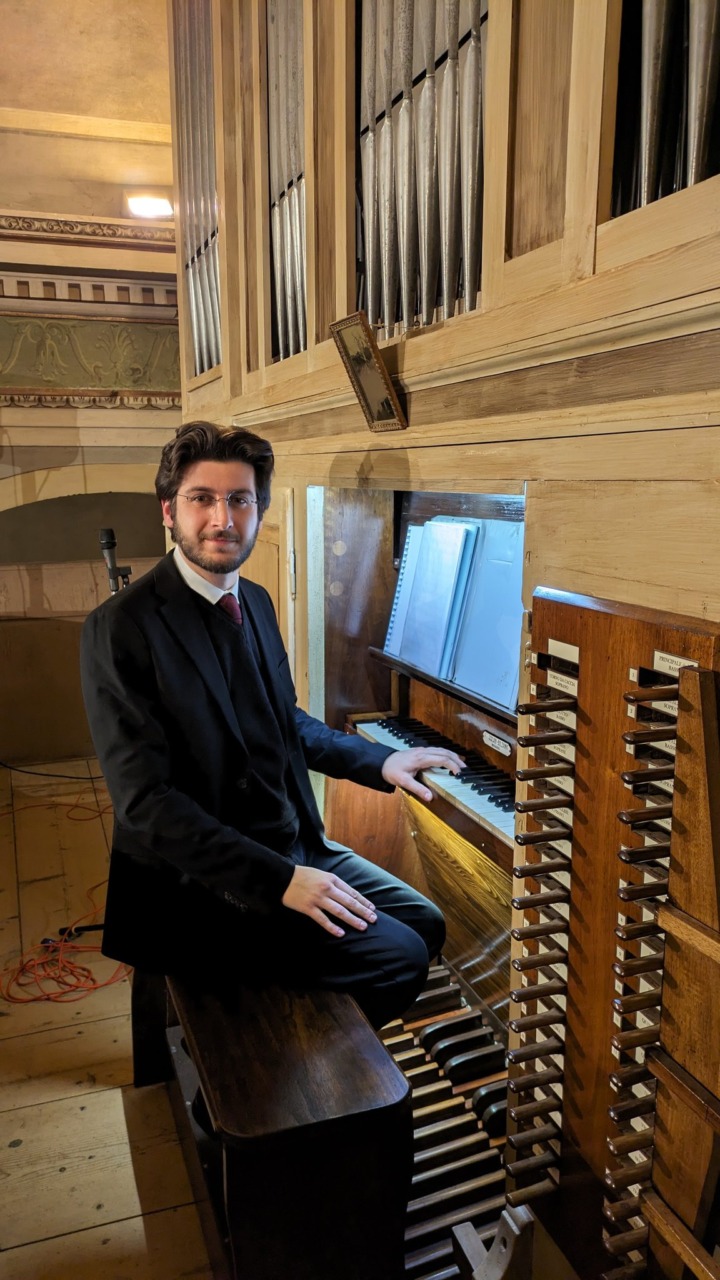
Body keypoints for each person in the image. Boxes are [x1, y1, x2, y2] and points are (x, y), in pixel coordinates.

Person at [80, 422, 463, 1029]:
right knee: (399, 960)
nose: (222, 520)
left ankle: (308, 1047)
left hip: (293, 845)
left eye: (240, 500)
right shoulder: (121, 628)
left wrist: (378, 762)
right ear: (168, 512)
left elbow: (285, 723)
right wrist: (279, 881)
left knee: (426, 924)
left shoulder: (253, 601)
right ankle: (284, 1068)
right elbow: (146, 805)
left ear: (258, 510)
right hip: (208, 886)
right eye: (201, 499)